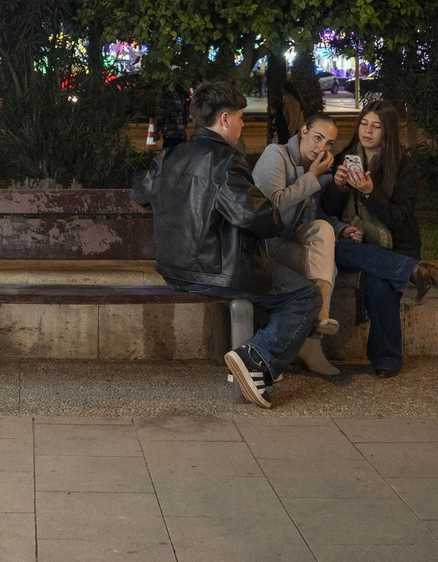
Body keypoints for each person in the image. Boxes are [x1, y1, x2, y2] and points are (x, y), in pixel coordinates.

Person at [133, 81, 320, 408]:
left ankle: (259, 360)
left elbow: (141, 194)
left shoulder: (170, 155)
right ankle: (256, 358)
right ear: (224, 119)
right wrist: (279, 219)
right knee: (305, 296)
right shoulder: (226, 160)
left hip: (173, 269)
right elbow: (253, 215)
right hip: (217, 271)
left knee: (272, 286)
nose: (242, 124)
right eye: (240, 117)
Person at [320, 99, 438, 378]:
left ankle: (386, 358)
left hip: (396, 246)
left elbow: (399, 218)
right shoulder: (345, 159)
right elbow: (328, 211)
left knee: (379, 286)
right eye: (364, 123)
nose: (367, 131)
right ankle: (413, 271)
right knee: (336, 248)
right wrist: (338, 187)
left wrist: (369, 192)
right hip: (355, 245)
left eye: (376, 126)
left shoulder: (404, 167)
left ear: (388, 131)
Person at [253, 112, 342, 376]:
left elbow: (314, 217)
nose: (322, 147)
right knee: (327, 268)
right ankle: (309, 343)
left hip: (289, 244)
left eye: (329, 143)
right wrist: (312, 178)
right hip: (263, 246)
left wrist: (343, 227)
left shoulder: (317, 168)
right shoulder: (276, 154)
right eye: (317, 137)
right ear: (303, 131)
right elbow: (273, 204)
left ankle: (320, 319)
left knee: (323, 231)